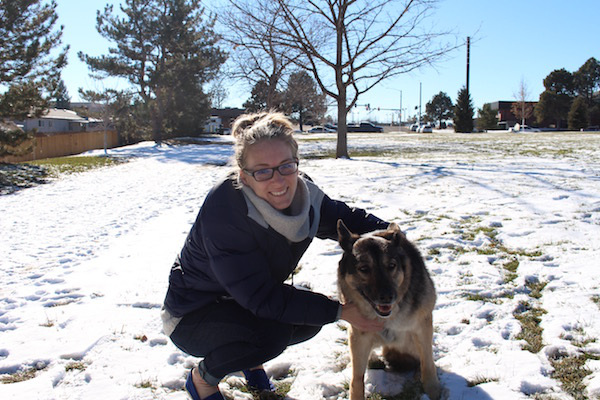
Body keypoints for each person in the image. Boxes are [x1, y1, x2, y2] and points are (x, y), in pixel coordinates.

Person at [161, 111, 389, 400]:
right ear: (244, 176)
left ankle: (248, 360)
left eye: (286, 166)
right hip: (193, 314)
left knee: (306, 320)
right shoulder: (226, 209)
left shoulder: (306, 195)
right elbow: (261, 297)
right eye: (263, 171)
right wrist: (342, 311)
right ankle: (203, 380)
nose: (278, 181)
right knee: (273, 335)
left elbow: (347, 220)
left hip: (242, 301)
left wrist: (394, 238)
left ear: (296, 164)